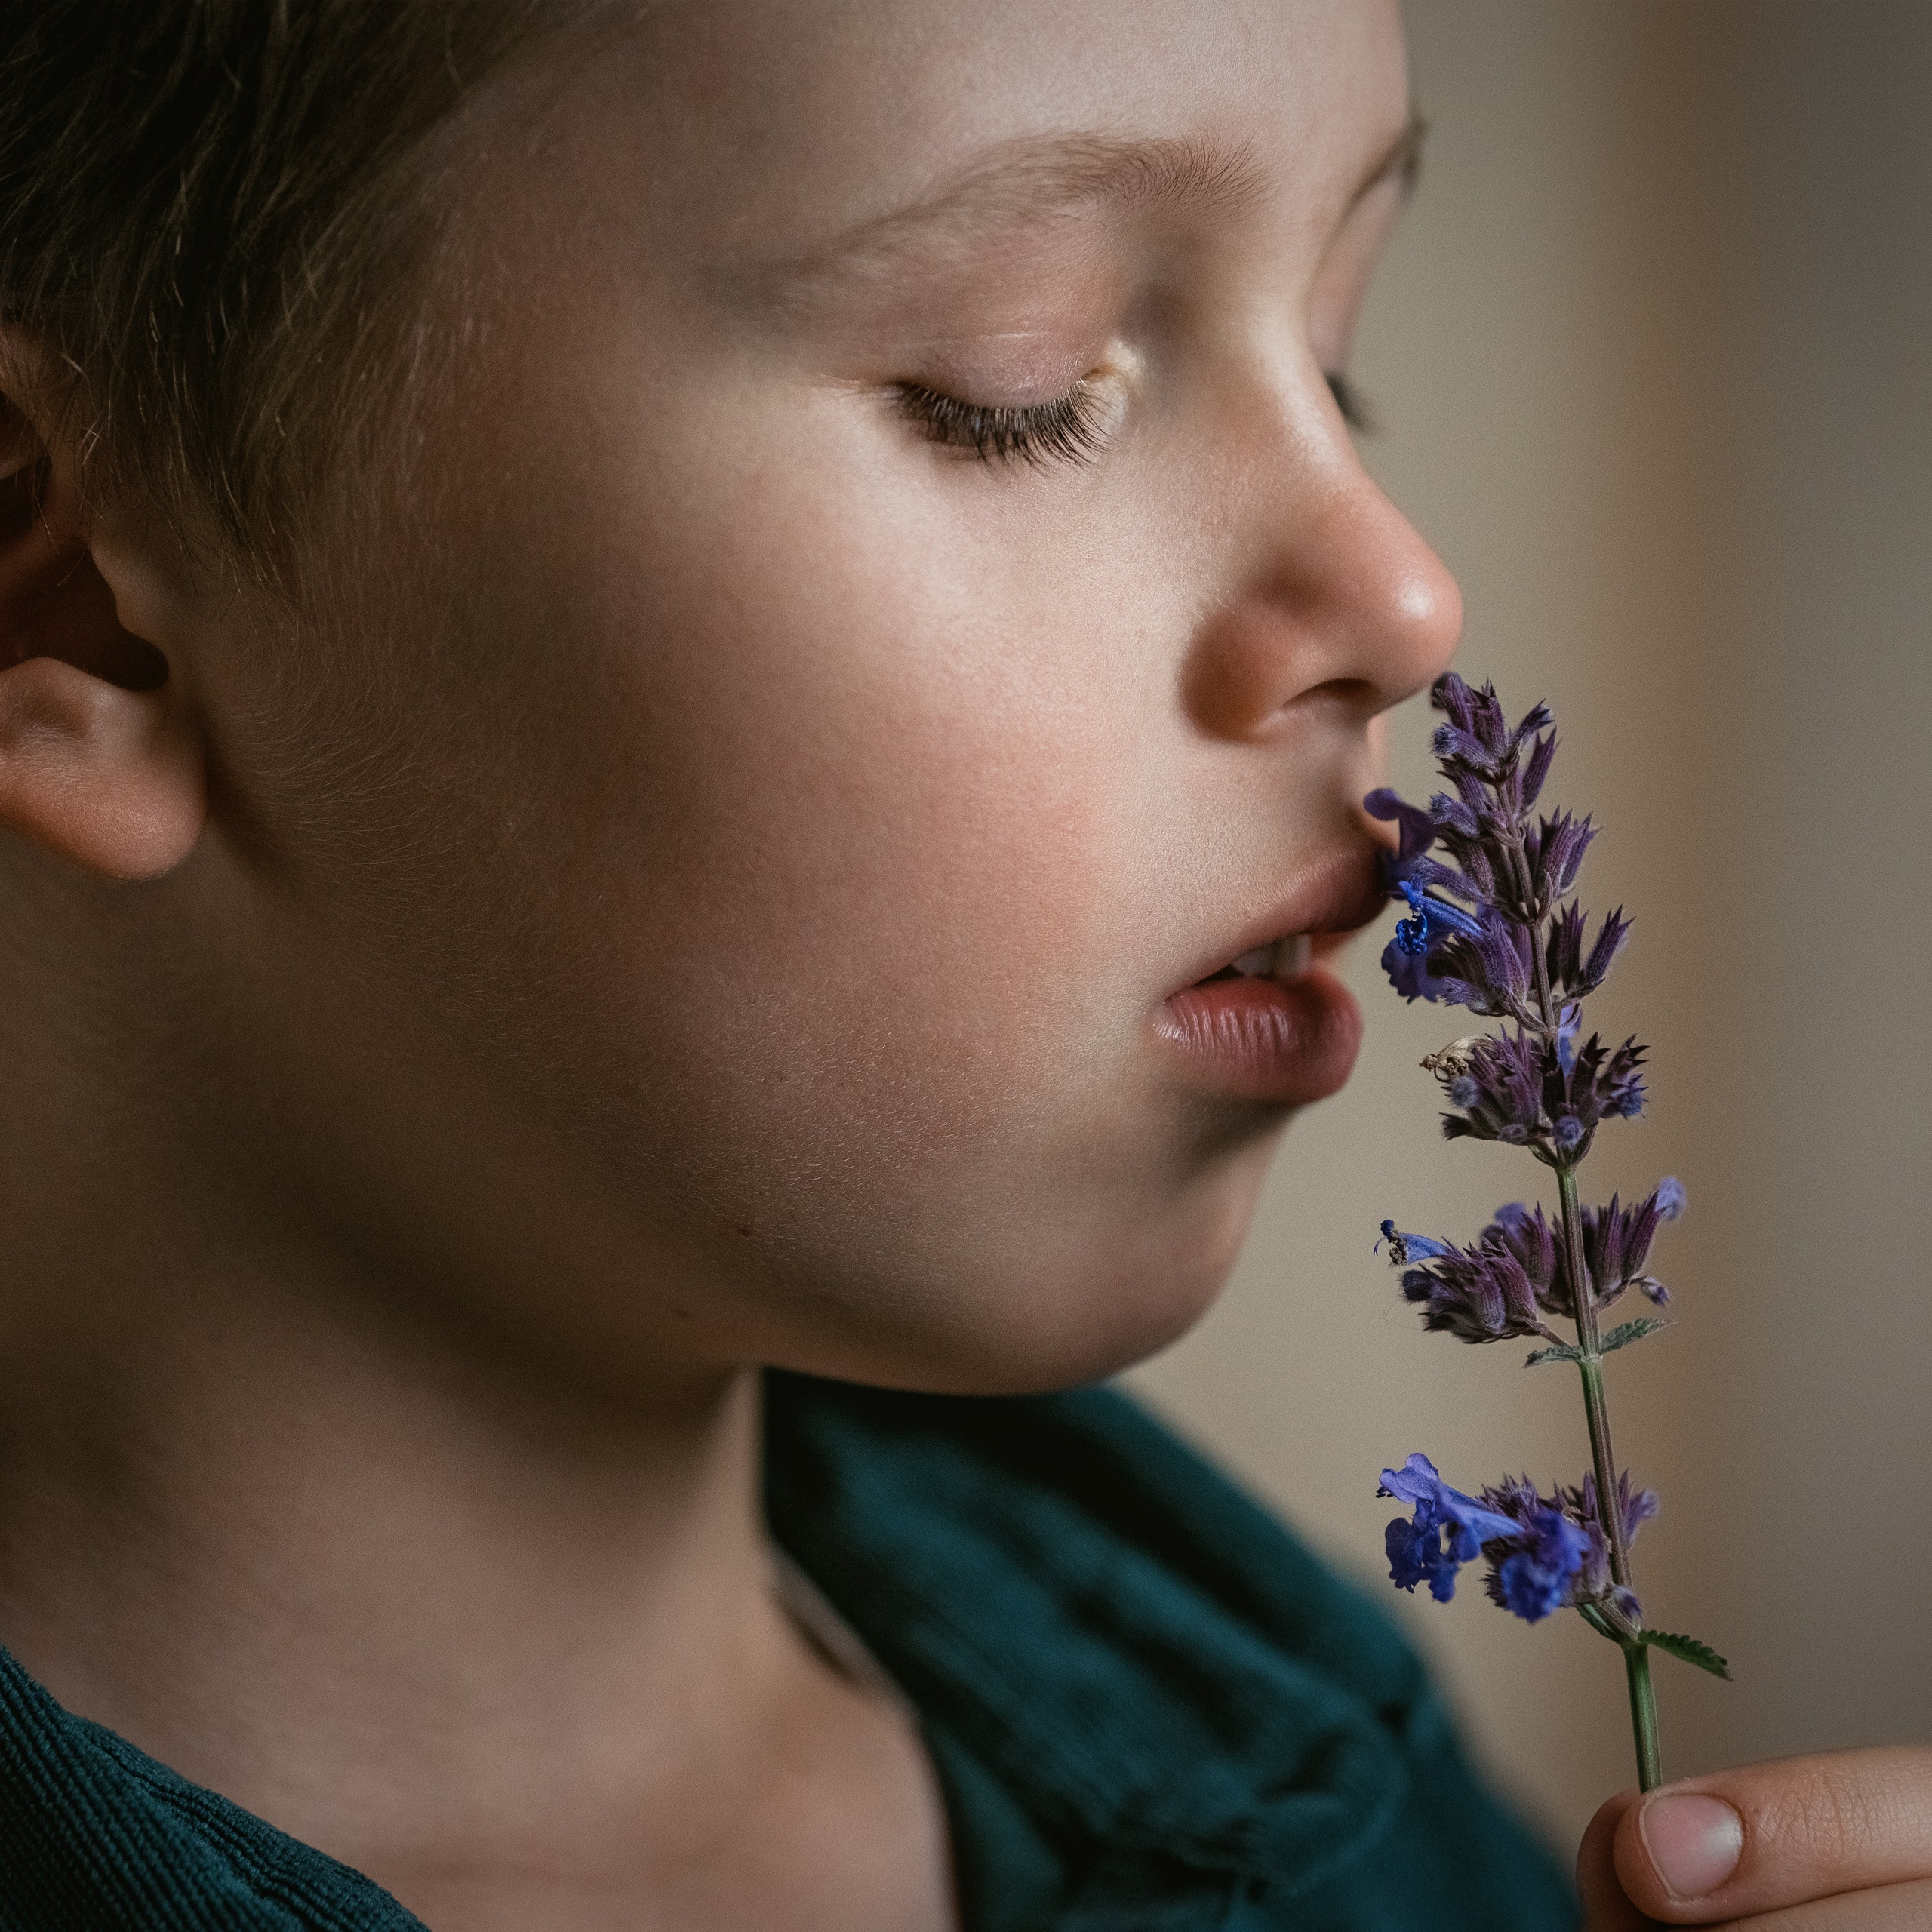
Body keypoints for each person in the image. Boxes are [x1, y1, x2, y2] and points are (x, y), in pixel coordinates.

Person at [0, 3, 1923, 1927]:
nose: (1403, 597)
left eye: (1341, 367)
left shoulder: (1323, 1787)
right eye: (1014, 390)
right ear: (73, 597)